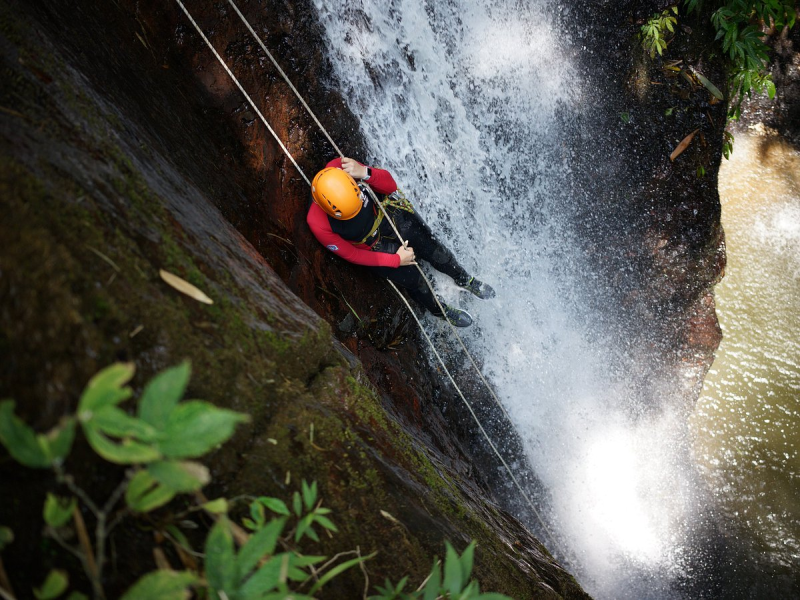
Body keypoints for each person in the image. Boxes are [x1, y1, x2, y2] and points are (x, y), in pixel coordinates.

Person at [306, 157, 495, 327]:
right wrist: (395, 260)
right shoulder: (318, 223)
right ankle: (440, 311)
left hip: (389, 214)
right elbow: (352, 255)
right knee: (415, 281)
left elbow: (390, 187)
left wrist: (365, 172)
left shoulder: (341, 169)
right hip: (374, 246)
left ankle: (465, 280)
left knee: (437, 252)